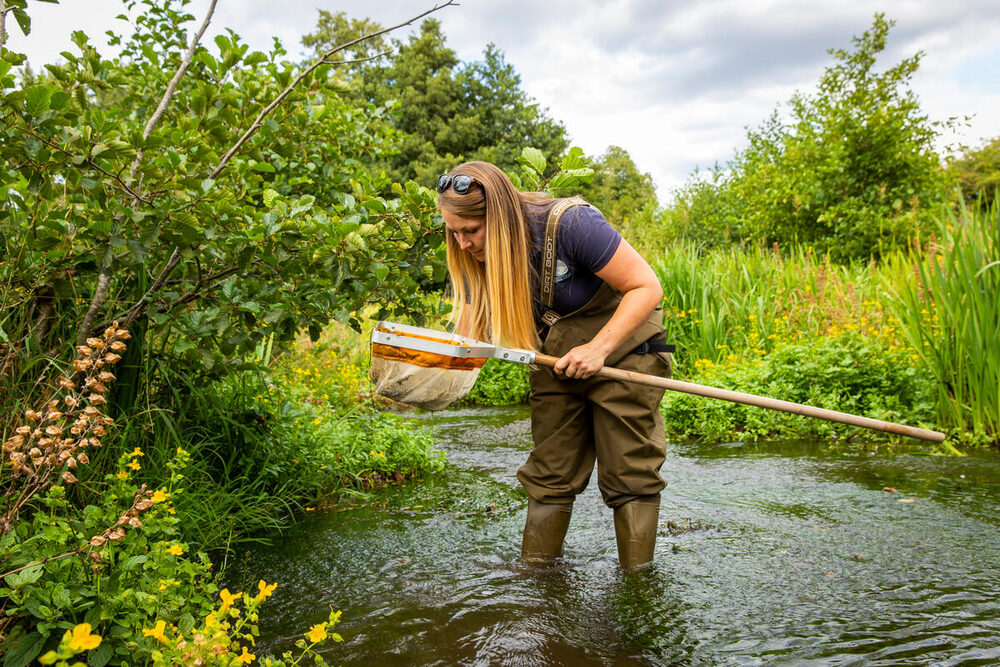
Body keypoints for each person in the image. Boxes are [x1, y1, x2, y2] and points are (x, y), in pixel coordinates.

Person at [436, 161, 672, 572]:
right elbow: (470, 332)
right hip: (554, 359)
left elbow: (646, 286)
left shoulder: (572, 224)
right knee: (549, 474)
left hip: (624, 353)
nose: (461, 244)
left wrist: (598, 349)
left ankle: (638, 587)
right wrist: (436, 367)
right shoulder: (472, 250)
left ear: (501, 219)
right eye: (452, 232)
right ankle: (536, 580)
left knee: (630, 471)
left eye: (470, 231)